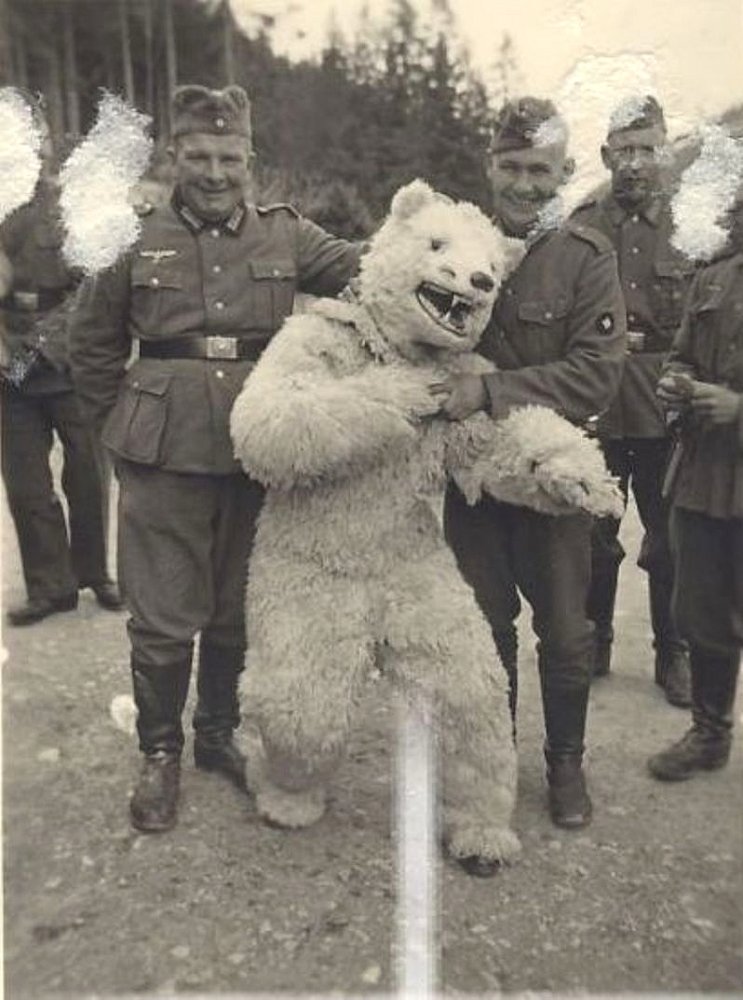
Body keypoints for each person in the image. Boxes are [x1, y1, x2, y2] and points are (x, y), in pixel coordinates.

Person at [69, 85, 362, 834]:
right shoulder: (128, 239)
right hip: (163, 453)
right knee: (164, 615)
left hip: (258, 450)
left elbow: (371, 278)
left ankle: (215, 736)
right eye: (197, 155)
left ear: (249, 159)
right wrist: (124, 433)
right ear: (174, 156)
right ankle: (159, 753)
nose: (213, 171)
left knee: (237, 609)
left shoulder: (286, 235)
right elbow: (93, 346)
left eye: (228, 157)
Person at [442, 97, 626, 828]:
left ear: (563, 173)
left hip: (553, 475)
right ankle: (491, 767)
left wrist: (488, 388)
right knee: (483, 628)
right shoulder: (456, 243)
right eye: (511, 167)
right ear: (490, 166)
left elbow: (595, 374)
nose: (523, 184)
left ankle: (564, 766)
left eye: (539, 171)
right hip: (475, 477)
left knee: (565, 629)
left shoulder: (585, 257)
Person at [573, 96, 693, 706]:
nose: (636, 163)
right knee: (594, 527)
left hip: (665, 397)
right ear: (606, 155)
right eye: (625, 150)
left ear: (664, 152)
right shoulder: (584, 218)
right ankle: (594, 638)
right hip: (598, 392)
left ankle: (673, 650)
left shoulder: (693, 223)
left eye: (647, 149)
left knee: (669, 531)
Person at [1, 91, 121, 628]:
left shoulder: (71, 204)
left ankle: (96, 573)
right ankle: (51, 587)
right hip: (9, 364)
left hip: (69, 361)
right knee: (27, 480)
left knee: (89, 475)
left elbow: (93, 287)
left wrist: (46, 341)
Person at [647, 180, 743, 782]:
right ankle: (710, 733)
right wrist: (674, 384)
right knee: (702, 609)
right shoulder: (713, 276)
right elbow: (681, 353)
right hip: (707, 475)